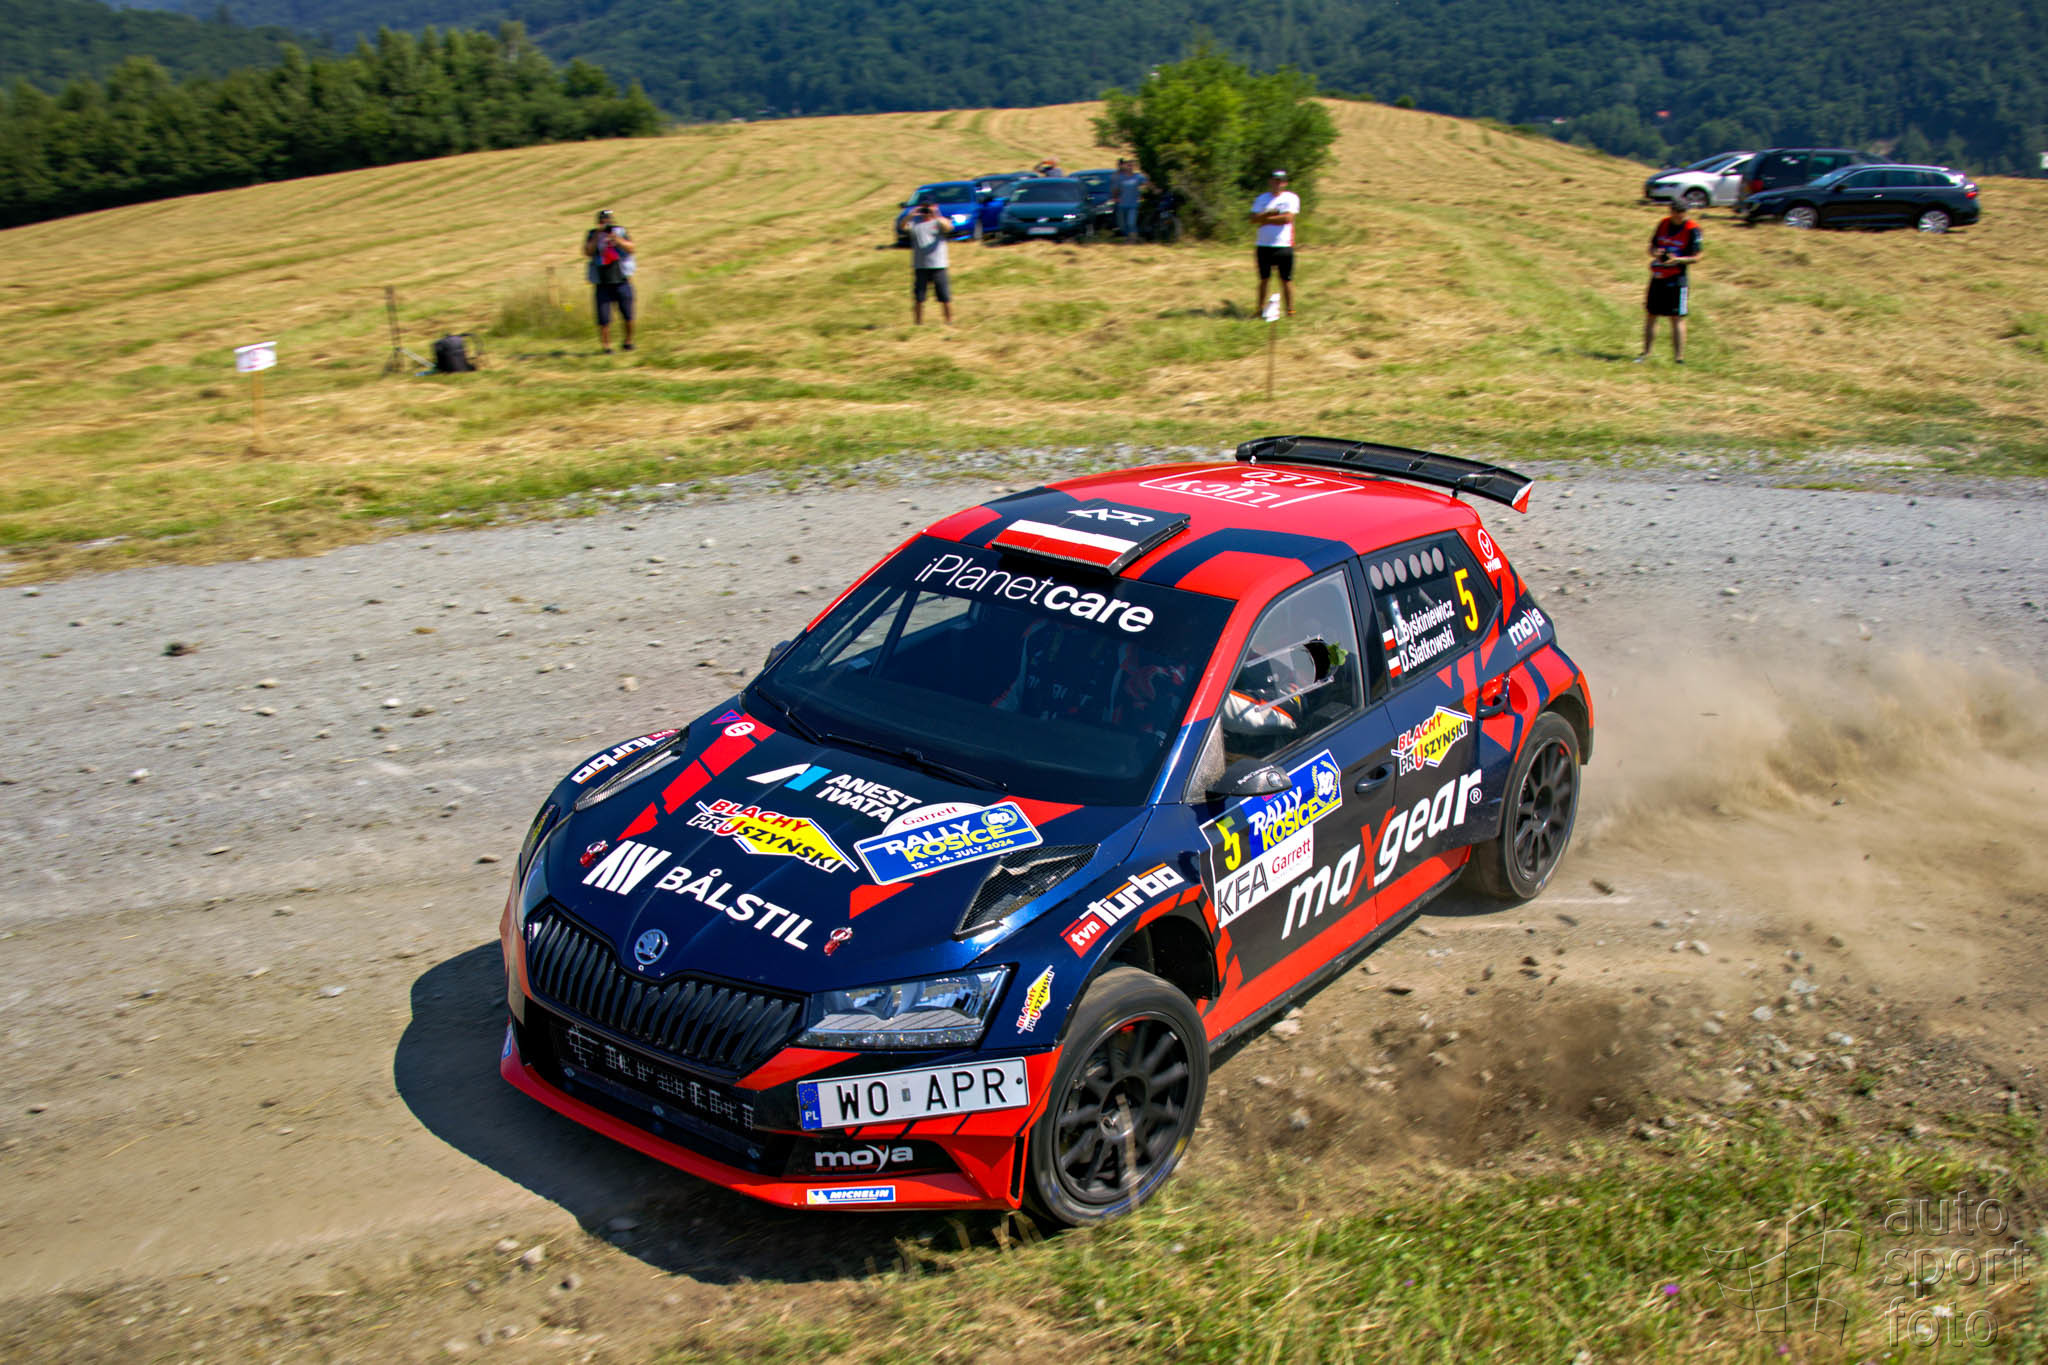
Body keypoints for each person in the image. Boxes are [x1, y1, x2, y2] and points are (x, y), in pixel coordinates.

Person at [1638, 200, 1702, 364]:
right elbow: (1651, 247)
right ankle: (1645, 354)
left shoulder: (1692, 229)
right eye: (1676, 212)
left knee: (1677, 317)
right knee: (1651, 314)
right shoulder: (1663, 224)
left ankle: (1679, 358)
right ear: (1671, 211)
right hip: (1658, 275)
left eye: (1682, 212)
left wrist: (1677, 260)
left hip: (1677, 278)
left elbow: (1697, 257)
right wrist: (1656, 253)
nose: (1679, 216)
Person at [582, 209, 636, 353]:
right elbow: (587, 252)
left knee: (628, 314)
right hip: (602, 282)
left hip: (621, 279)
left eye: (607, 220)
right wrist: (598, 235)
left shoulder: (620, 232)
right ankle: (606, 347)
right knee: (604, 318)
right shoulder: (592, 234)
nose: (605, 223)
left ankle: (628, 342)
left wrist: (616, 240)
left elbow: (631, 248)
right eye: (602, 221)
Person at [1249, 169, 1300, 316]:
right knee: (1264, 279)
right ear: (1270, 182)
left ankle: (1290, 310)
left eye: (1280, 181)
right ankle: (1259, 309)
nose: (1277, 183)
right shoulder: (1261, 198)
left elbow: (1287, 218)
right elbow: (1253, 219)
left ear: (1285, 183)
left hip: (1283, 245)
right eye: (1275, 180)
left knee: (1286, 279)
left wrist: (1265, 219)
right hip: (1263, 245)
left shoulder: (1291, 198)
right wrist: (1270, 215)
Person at [906, 201, 953, 326]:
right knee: (919, 297)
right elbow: (902, 226)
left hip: (938, 265)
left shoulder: (939, 222)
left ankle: (949, 322)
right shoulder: (915, 223)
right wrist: (910, 215)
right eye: (924, 209)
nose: (926, 212)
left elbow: (948, 227)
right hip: (920, 266)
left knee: (944, 296)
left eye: (928, 209)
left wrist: (935, 213)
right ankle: (918, 323)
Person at [1111, 158, 1148, 241]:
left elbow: (1146, 183)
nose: (1130, 167)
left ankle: (1133, 239)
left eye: (1131, 165)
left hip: (1133, 204)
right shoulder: (1119, 177)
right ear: (1125, 166)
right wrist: (1115, 198)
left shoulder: (1137, 177)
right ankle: (1129, 237)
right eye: (1128, 165)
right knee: (1122, 225)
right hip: (1121, 205)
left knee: (1131, 223)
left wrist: (1154, 189)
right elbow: (1115, 189)